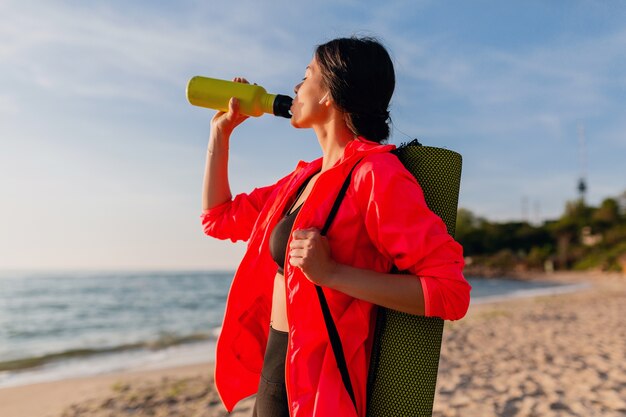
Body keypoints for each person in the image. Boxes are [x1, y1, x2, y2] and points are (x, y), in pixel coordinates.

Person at [200, 36, 471, 417]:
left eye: (307, 74)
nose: (295, 87)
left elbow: (450, 293)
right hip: (274, 381)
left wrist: (331, 273)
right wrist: (221, 134)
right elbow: (218, 218)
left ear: (329, 92)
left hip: (321, 393)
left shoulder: (376, 174)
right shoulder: (300, 180)